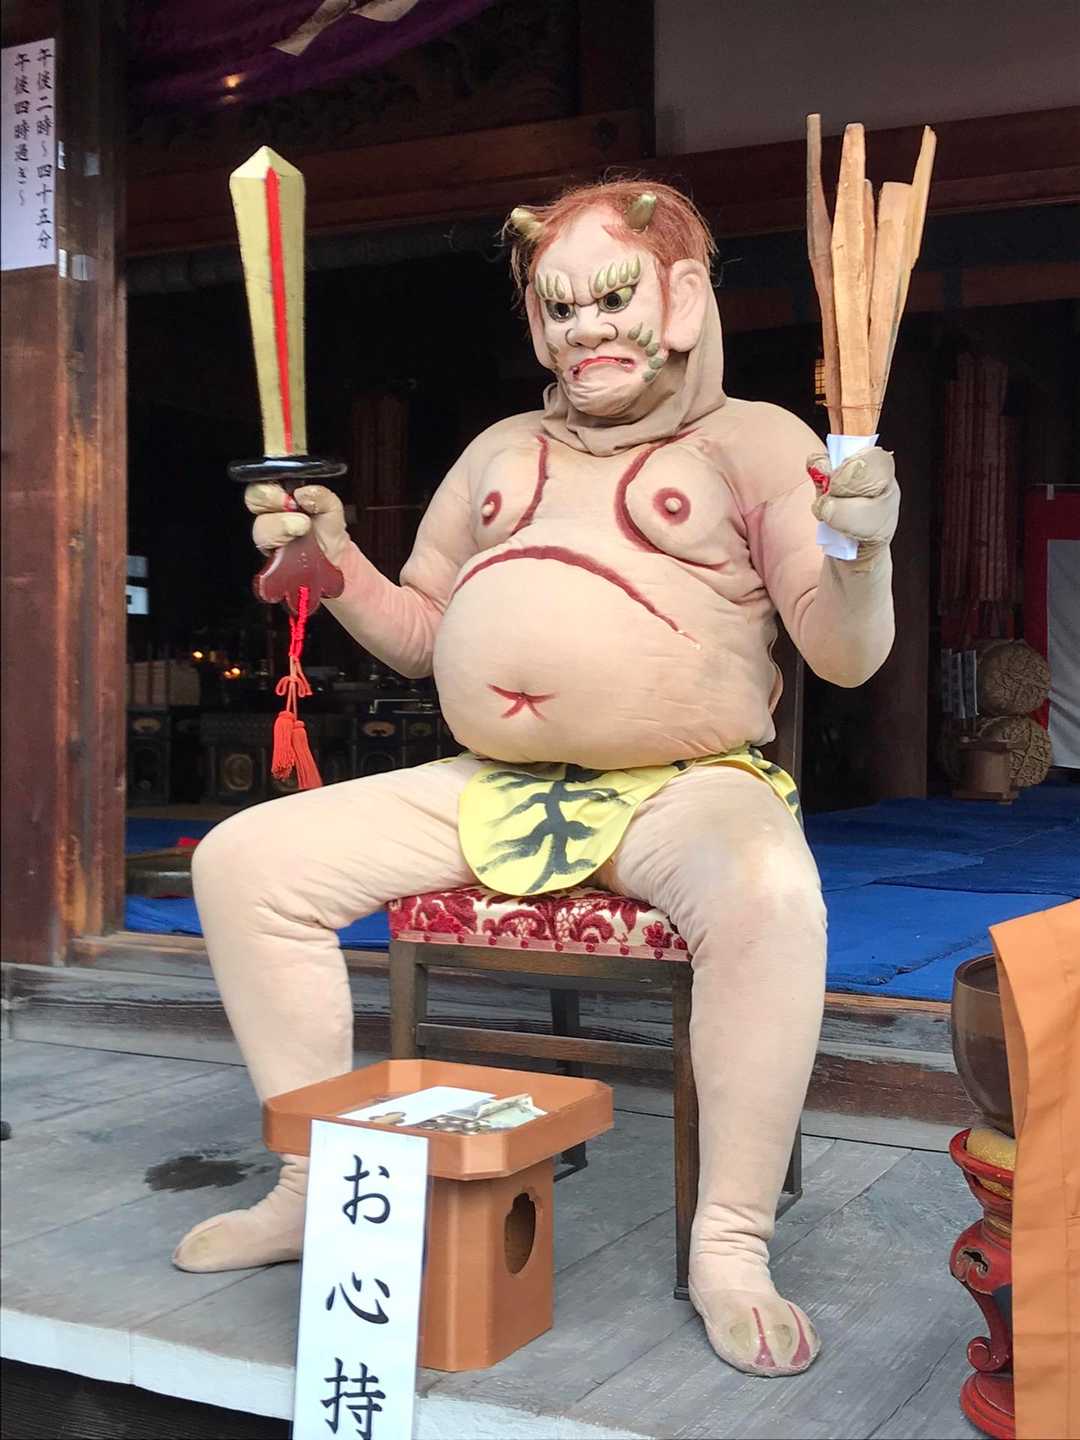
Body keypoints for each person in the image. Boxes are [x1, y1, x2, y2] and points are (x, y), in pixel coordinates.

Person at [174, 179, 899, 1377]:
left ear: (682, 297)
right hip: (491, 780)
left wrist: (862, 554)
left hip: (687, 787)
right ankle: (312, 1180)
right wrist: (331, 558)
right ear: (532, 319)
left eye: (613, 298)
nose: (586, 329)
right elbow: (421, 634)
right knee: (248, 861)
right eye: (560, 308)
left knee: (771, 899)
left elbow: (844, 654)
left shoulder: (760, 442)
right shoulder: (500, 449)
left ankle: (730, 1240)